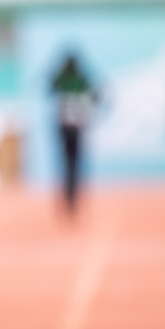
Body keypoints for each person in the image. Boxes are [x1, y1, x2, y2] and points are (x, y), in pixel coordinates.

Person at [49, 53, 97, 216]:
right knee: (76, 162)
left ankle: (68, 197)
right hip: (78, 125)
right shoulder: (82, 78)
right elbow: (96, 96)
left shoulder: (62, 78)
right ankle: (73, 197)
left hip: (63, 125)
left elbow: (50, 87)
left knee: (66, 162)